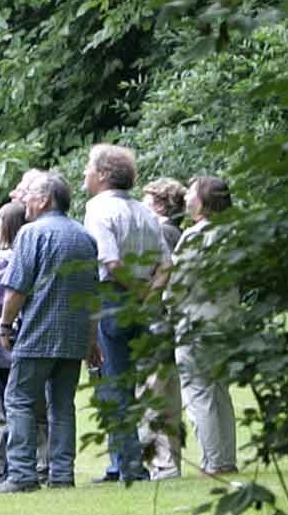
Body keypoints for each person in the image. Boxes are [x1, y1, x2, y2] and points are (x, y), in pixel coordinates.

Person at [0, 171, 99, 493]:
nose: (23, 200)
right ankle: (62, 475)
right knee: (62, 406)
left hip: (38, 333)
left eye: (30, 195)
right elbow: (93, 293)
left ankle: (22, 474)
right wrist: (91, 339)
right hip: (74, 336)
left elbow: (17, 288)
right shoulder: (85, 237)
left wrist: (5, 324)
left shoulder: (30, 234)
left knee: (19, 399)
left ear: (45, 199)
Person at [82, 143, 172, 485]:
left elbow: (110, 261)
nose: (85, 174)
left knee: (112, 382)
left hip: (113, 299)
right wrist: (150, 293)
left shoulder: (97, 209)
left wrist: (133, 292)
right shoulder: (145, 212)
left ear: (104, 175)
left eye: (89, 168)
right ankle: (119, 462)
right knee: (128, 382)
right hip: (142, 304)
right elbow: (166, 264)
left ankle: (130, 465)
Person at [169, 175, 239, 475]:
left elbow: (177, 285)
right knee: (220, 391)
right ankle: (227, 458)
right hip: (227, 321)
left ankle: (214, 461)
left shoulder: (196, 236)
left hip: (196, 322)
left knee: (199, 394)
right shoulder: (234, 234)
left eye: (191, 194)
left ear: (204, 201)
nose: (186, 198)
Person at [0, 201, 46, 487]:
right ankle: (36, 464)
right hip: (25, 341)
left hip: (7, 345)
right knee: (33, 407)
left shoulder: (5, 262)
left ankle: (3, 468)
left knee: (10, 408)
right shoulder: (34, 256)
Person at [137, 177, 189, 480]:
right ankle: (171, 461)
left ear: (158, 202)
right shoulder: (175, 231)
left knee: (154, 393)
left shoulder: (162, 232)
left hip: (157, 322)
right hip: (168, 323)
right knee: (167, 394)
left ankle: (163, 463)